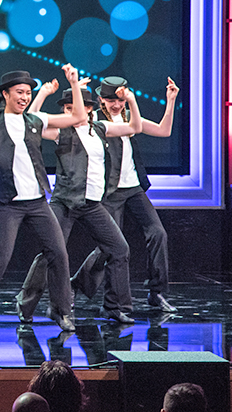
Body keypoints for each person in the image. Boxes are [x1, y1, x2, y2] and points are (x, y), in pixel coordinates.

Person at [0, 65, 87, 333]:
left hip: (37, 203)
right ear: (5, 94)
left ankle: (61, 311)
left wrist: (73, 83)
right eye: (19, 92)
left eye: (27, 93)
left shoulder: (35, 120)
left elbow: (78, 116)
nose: (24, 97)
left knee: (59, 253)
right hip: (8, 205)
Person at [18, 81, 142, 324]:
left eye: (74, 107)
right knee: (52, 253)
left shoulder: (100, 129)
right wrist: (42, 93)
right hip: (65, 203)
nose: (70, 112)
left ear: (88, 109)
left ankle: (113, 306)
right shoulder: (61, 132)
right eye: (66, 108)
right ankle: (31, 303)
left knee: (119, 248)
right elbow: (28, 123)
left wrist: (131, 100)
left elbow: (134, 127)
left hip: (92, 205)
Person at [73, 76, 180, 313]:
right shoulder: (96, 121)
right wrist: (77, 92)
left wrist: (171, 100)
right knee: (111, 246)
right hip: (109, 191)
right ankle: (86, 288)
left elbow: (163, 130)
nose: (116, 105)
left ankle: (157, 293)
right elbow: (75, 120)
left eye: (120, 100)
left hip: (133, 189)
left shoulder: (131, 117)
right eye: (111, 100)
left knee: (158, 233)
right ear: (101, 99)